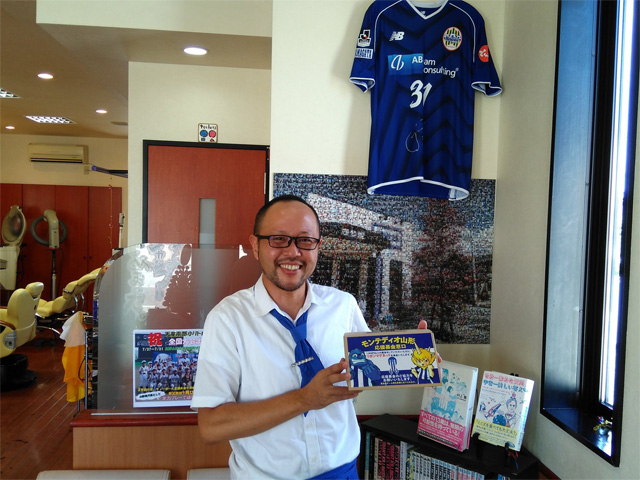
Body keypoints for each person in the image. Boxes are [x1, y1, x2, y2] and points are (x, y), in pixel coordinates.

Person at [191, 194, 427, 479]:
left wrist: (413, 357)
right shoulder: (227, 319)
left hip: (343, 473)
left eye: (305, 240)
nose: (293, 252)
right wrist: (305, 399)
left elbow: (369, 368)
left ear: (318, 247)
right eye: (279, 239)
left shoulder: (343, 306)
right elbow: (211, 427)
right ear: (255, 245)